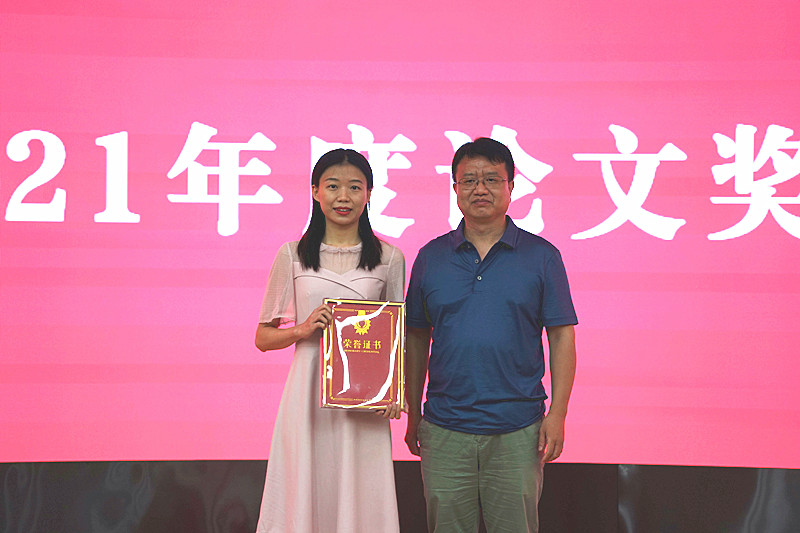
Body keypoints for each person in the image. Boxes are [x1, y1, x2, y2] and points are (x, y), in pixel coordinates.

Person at [404, 138, 578, 532]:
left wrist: (558, 414)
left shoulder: (542, 256)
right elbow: (416, 338)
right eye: (469, 180)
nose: (480, 189)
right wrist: (414, 413)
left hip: (519, 430)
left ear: (511, 185)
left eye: (491, 179)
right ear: (455, 188)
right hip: (445, 428)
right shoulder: (431, 257)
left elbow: (561, 338)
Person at [254, 148, 405, 533]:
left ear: (368, 194)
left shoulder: (389, 258)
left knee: (362, 490)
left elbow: (396, 335)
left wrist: (396, 392)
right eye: (333, 186)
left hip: (364, 401)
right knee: (307, 487)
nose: (343, 197)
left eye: (354, 187)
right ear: (315, 191)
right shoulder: (292, 255)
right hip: (307, 396)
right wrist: (301, 330)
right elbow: (263, 337)